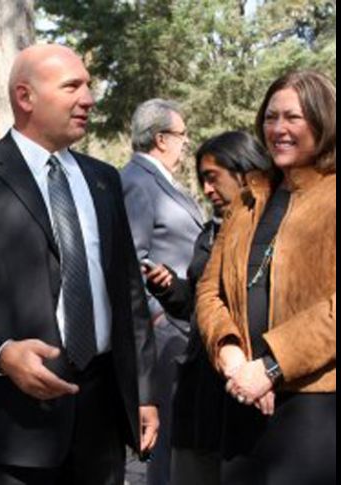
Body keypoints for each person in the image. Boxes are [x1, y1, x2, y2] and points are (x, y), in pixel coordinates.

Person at [0, 44, 158, 484]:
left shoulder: (103, 179)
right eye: (72, 86)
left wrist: (143, 393)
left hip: (103, 413)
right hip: (18, 424)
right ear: (25, 97)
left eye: (88, 85)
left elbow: (129, 294)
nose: (89, 98)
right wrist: (1, 354)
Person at [196, 70, 336, 484]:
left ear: (323, 119)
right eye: (270, 117)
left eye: (292, 117)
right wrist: (231, 355)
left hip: (316, 410)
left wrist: (271, 367)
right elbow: (209, 289)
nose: (278, 129)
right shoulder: (249, 198)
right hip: (242, 399)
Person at [141, 132, 273, 485]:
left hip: (245, 386)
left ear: (244, 170)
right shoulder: (209, 234)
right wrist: (169, 287)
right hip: (199, 389)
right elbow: (199, 306)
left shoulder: (274, 229)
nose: (207, 188)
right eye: (202, 179)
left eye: (213, 177)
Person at [120, 98, 204, 485]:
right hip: (166, 333)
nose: (186, 144)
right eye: (182, 136)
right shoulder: (137, 183)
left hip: (184, 323)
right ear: (161, 138)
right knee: (165, 441)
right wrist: (159, 317)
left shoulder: (163, 182)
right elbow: (130, 263)